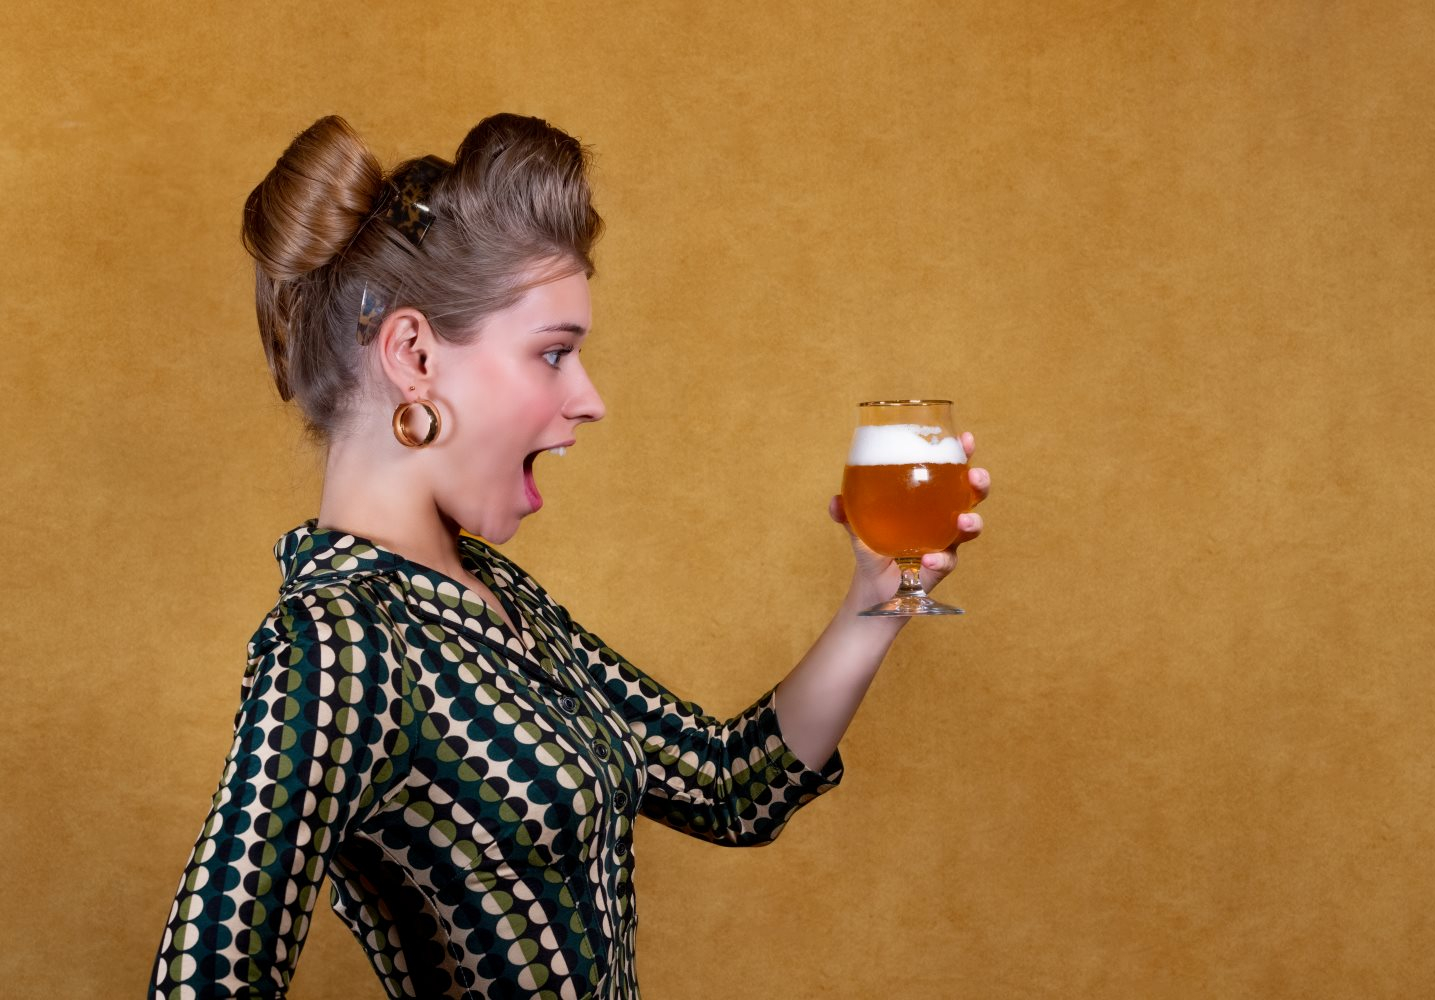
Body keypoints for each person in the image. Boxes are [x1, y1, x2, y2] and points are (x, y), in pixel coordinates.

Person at [148, 112, 988, 1000]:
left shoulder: (490, 592)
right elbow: (207, 978)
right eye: (553, 353)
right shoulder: (339, 642)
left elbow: (731, 788)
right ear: (413, 354)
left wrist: (875, 597)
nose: (589, 400)